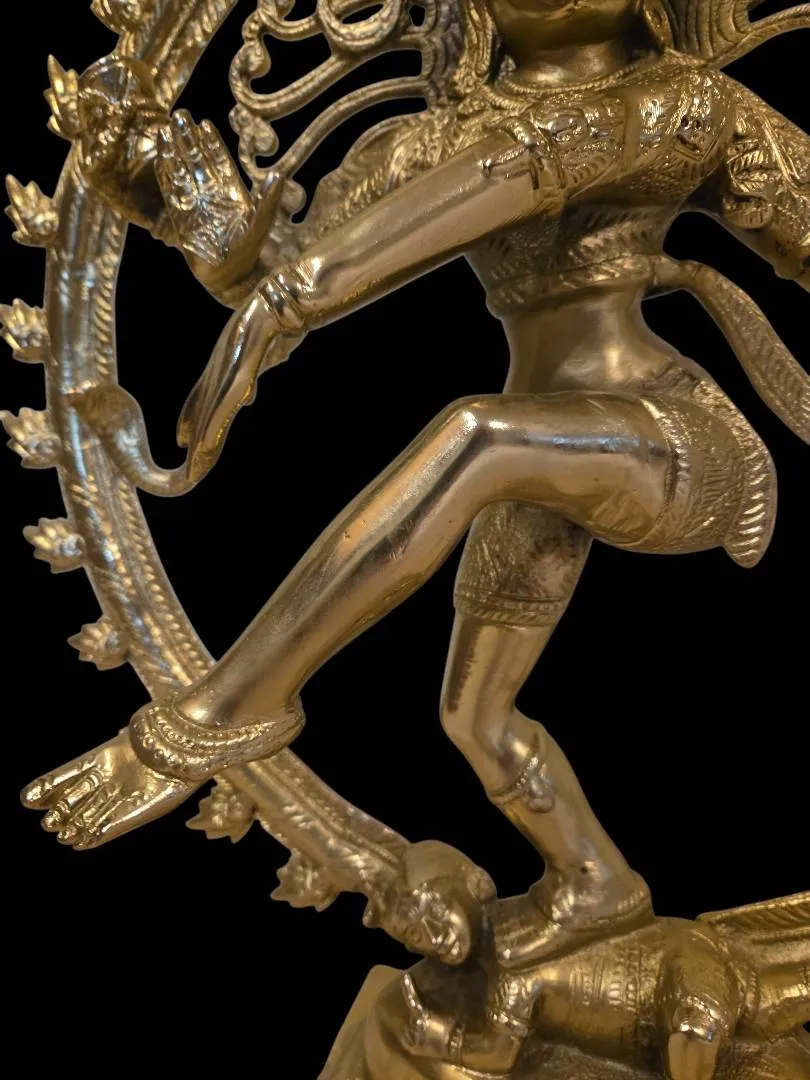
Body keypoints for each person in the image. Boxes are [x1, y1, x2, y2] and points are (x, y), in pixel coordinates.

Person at [24, 0, 808, 975]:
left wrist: (290, 296)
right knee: (475, 717)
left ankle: (221, 712)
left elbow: (530, 166)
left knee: (473, 435)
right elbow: (280, 267)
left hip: (672, 439)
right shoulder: (430, 143)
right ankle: (595, 883)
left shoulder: (682, 105)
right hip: (538, 464)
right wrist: (169, 188)